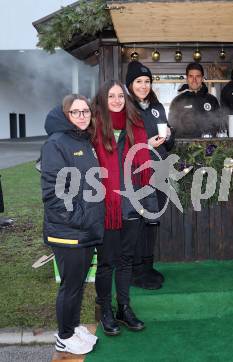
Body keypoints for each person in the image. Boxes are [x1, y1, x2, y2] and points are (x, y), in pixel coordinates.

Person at [41, 94, 104, 355]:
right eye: (75, 112)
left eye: (85, 111)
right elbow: (54, 194)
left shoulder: (83, 140)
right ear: (66, 115)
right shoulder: (56, 143)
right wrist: (82, 218)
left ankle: (73, 326)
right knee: (70, 286)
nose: (82, 115)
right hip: (70, 231)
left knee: (77, 284)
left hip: (85, 230)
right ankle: (64, 336)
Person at [92, 80, 152, 335]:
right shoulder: (92, 126)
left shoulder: (135, 124)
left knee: (127, 259)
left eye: (120, 96)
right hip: (106, 205)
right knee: (107, 262)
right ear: (102, 100)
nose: (117, 100)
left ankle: (123, 307)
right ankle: (105, 309)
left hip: (131, 202)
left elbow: (143, 163)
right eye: (111, 96)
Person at [125, 61, 175, 290]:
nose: (144, 86)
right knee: (138, 221)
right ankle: (136, 270)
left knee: (152, 221)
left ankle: (148, 265)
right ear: (130, 84)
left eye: (147, 81)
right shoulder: (125, 109)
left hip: (158, 171)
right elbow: (120, 145)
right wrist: (145, 144)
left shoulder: (156, 107)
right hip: (136, 174)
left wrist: (170, 135)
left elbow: (168, 143)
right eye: (138, 82)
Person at [168, 62, 223, 138]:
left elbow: (219, 124)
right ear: (187, 78)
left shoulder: (212, 100)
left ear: (202, 78)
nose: (194, 80)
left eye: (198, 76)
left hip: (208, 145)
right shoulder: (177, 101)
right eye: (191, 76)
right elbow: (172, 127)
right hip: (185, 146)